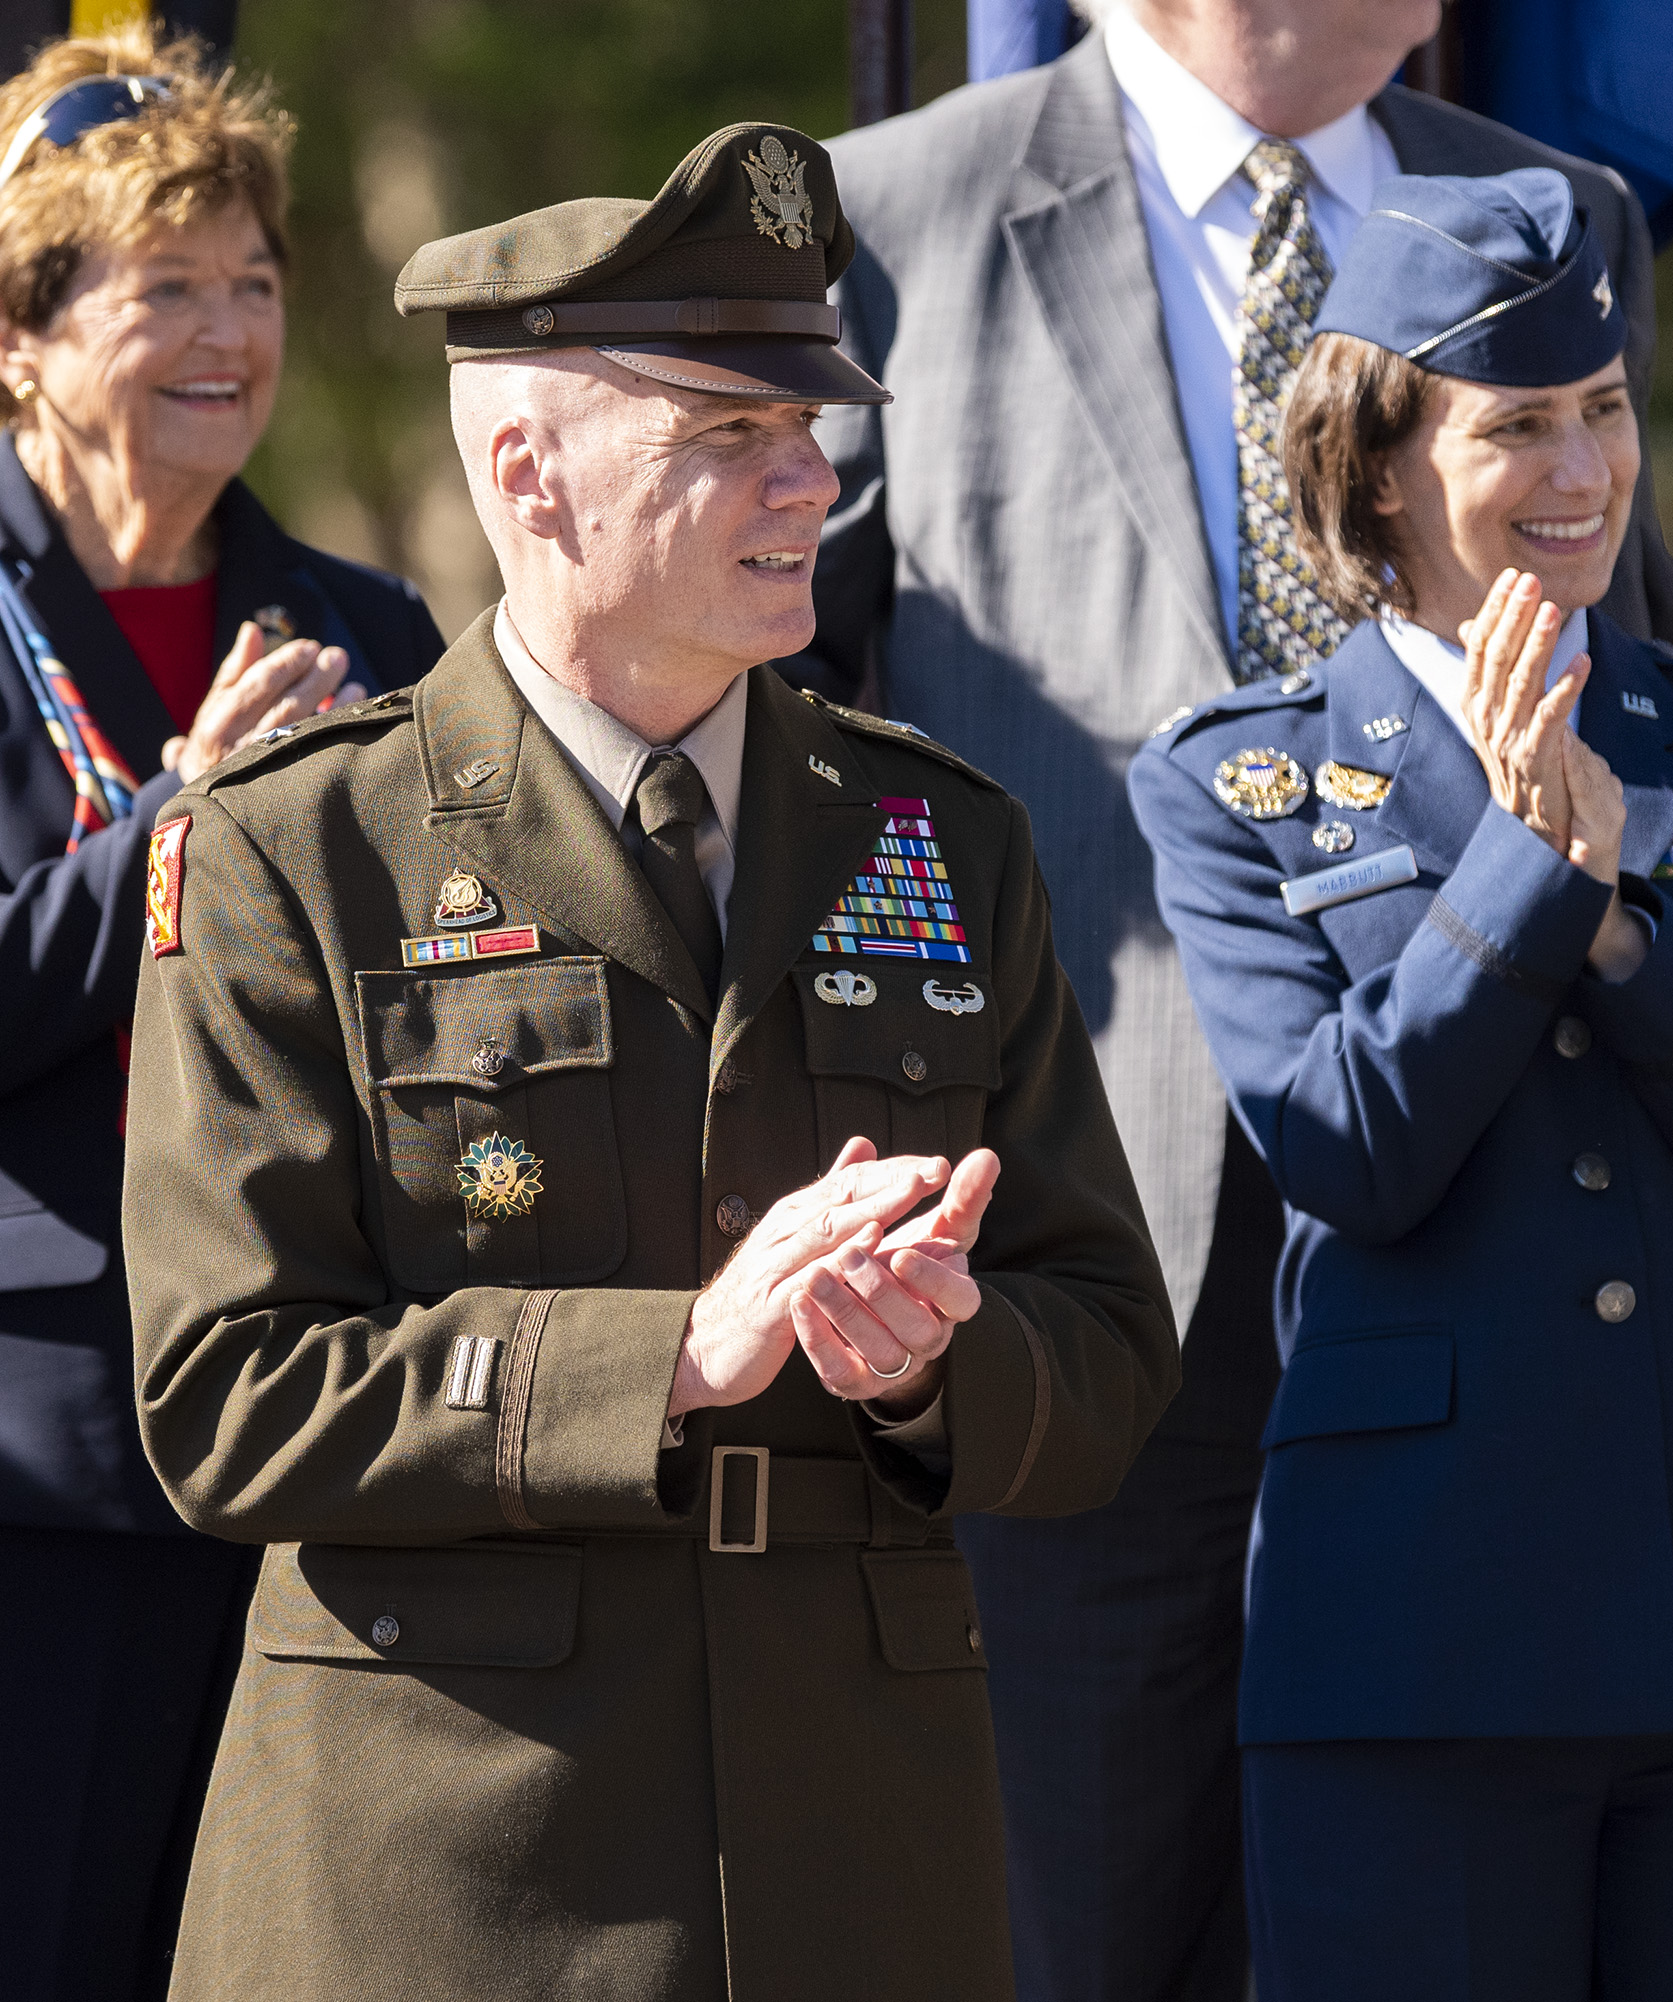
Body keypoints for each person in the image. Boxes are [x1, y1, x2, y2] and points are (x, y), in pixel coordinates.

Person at [119, 123, 1178, 2000]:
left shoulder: (939, 837)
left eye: (815, 426)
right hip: (461, 1873)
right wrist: (667, 1360)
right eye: (726, 440)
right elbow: (224, 1392)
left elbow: (1102, 1348)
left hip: (859, 1857)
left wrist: (939, 1364)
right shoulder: (299, 847)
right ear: (530, 474)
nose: (810, 481)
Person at [806, 8, 1673, 1996]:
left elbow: (1655, 676)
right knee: (1091, 1907)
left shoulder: (1548, 210)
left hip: (1488, 1200)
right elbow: (793, 695)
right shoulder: (896, 209)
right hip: (1077, 1209)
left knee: (1447, 1909)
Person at [1131, 168, 1673, 1999]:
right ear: (1383, 464)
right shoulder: (1238, 784)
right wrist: (1530, 874)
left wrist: (1627, 921)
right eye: (1518, 425)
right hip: (1414, 1654)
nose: (1580, 473)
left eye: (1605, 411)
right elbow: (1345, 1146)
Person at [0, 30, 441, 1999]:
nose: (227, 331)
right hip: (46, 1459)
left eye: (255, 283)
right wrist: (182, 823)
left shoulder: (367, 627)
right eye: (164, 287)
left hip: (312, 1416)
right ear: (23, 335)